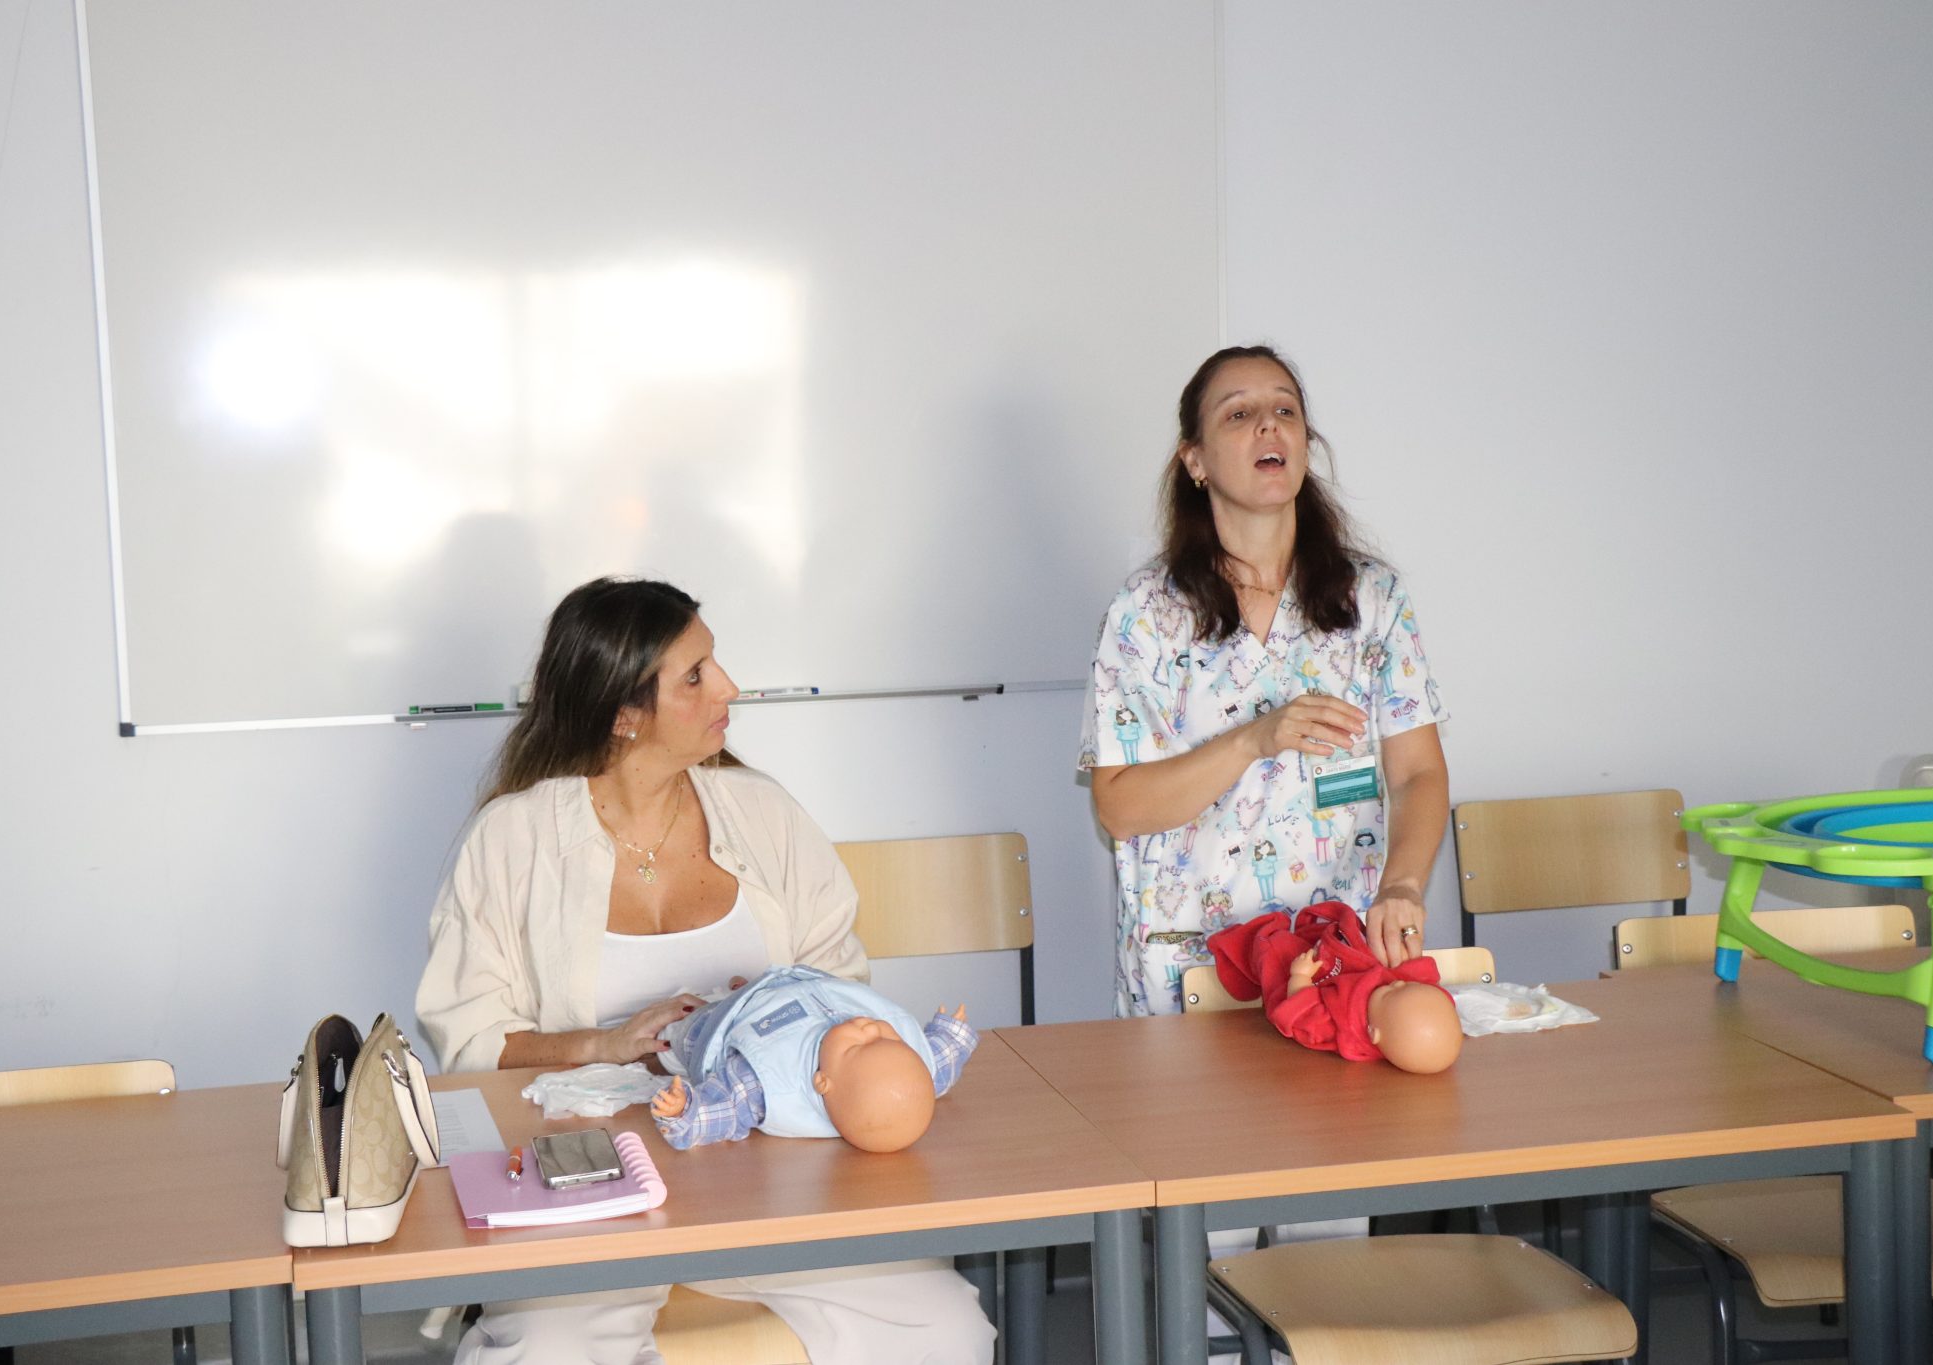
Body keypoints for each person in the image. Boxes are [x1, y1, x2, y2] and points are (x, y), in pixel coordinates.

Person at [417, 577, 995, 1365]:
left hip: (780, 1184)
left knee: (945, 1327)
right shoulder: (512, 839)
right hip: (589, 1187)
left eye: (713, 663)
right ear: (625, 715)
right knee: (547, 1352)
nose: (728, 687)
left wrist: (787, 1011)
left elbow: (842, 982)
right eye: (695, 675)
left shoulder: (762, 812)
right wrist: (603, 1044)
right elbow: (469, 1040)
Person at [1081, 344, 1452, 1017]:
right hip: (1191, 972)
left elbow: (1418, 773)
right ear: (1195, 461)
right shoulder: (1146, 614)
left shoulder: (1372, 599)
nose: (1267, 425)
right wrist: (1254, 738)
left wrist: (1402, 884)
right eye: (1238, 414)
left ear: (1305, 446)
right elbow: (1119, 807)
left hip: (1336, 959)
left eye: (1285, 411)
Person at [649, 965, 978, 1151]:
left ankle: (724, 1002)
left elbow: (726, 1109)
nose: (868, 1027)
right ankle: (745, 990)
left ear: (822, 1081)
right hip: (805, 988)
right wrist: (951, 1033)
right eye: (887, 1038)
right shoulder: (916, 1068)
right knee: (750, 987)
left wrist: (684, 1111)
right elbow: (940, 1063)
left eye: (857, 1046)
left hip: (727, 1022)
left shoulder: (767, 1083)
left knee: (684, 1030)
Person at [1206, 904, 1463, 1073]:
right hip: (1341, 960)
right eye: (1406, 986)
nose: (1396, 982)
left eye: (1390, 993)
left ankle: (1254, 938)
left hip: (1309, 979)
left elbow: (1301, 1011)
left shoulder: (1337, 1026)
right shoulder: (1396, 1013)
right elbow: (1420, 975)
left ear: (1372, 1032)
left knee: (1275, 949)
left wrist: (1300, 976)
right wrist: (1407, 960)